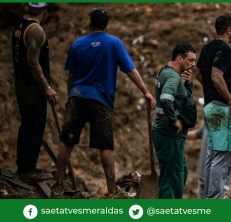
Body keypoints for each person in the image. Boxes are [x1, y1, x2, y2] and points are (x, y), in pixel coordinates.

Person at [53, 7, 155, 196]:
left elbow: (71, 76)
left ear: (90, 23)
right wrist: (145, 92)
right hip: (100, 100)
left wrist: (70, 97)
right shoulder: (114, 43)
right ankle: (111, 192)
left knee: (66, 141)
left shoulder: (77, 44)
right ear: (106, 26)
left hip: (77, 95)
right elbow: (130, 70)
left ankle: (58, 184)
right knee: (106, 147)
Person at [12, 2, 58, 183]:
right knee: (34, 128)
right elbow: (33, 62)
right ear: (45, 9)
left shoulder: (20, 24)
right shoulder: (36, 31)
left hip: (22, 86)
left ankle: (24, 166)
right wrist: (47, 87)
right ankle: (27, 170)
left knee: (27, 127)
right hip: (33, 90)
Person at [195, 14, 231, 199]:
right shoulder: (224, 48)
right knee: (222, 156)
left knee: (212, 156)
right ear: (229, 30)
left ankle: (208, 198)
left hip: (211, 107)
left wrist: (209, 90)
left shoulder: (207, 48)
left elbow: (198, 72)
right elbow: (216, 76)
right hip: (222, 108)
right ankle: (214, 200)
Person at [152, 43, 197, 199]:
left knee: (180, 172)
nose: (193, 64)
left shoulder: (166, 72)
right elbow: (166, 98)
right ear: (179, 58)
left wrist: (188, 84)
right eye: (190, 60)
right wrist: (174, 120)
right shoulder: (172, 77)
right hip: (169, 134)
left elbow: (180, 100)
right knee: (172, 179)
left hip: (168, 135)